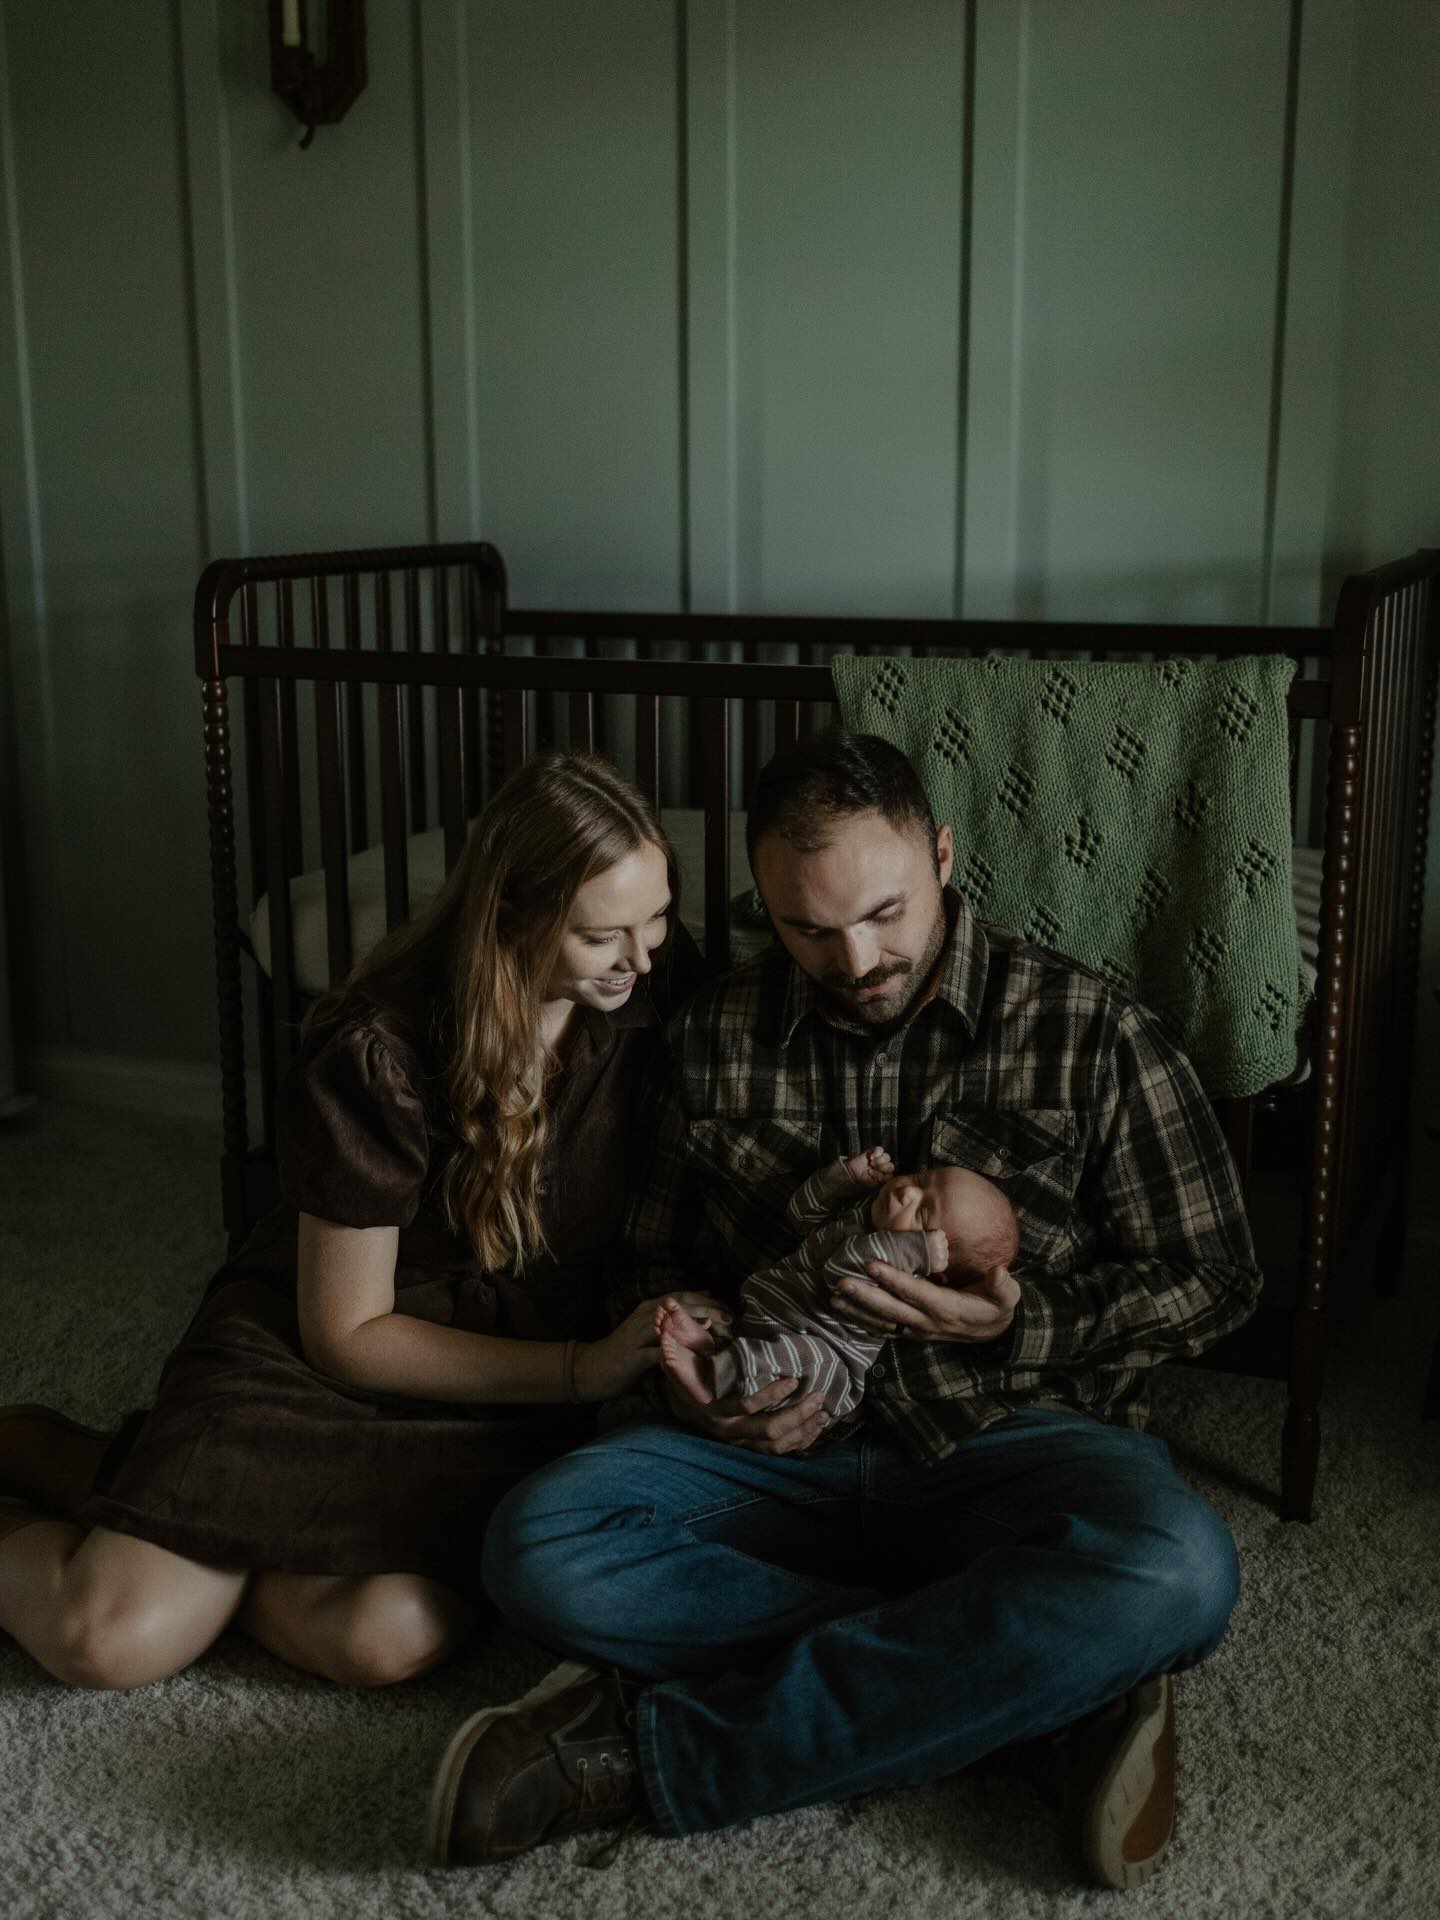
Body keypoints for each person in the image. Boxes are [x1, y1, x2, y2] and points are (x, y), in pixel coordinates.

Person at [426, 730, 1263, 1891]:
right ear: (762, 900)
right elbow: (646, 1265)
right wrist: (702, 1385)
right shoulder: (711, 1035)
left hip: (1007, 1447)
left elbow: (1218, 1278)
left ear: (944, 857)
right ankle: (1032, 1686)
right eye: (808, 928)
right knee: (539, 1544)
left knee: (1180, 1571)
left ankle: (652, 1754)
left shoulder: (1090, 1029)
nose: (855, 958)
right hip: (771, 1459)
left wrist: (1020, 1324)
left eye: (884, 912)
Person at [0, 752, 724, 1692]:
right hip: (328, 1356)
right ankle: (70, 1463)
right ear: (509, 916)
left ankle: (147, 1482)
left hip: (489, 1393)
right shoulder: (378, 1050)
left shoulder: (655, 986)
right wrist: (581, 1369)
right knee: (108, 1641)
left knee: (390, 1638)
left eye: (656, 916)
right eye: (600, 936)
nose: (643, 955)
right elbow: (346, 1334)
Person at [657, 1150, 1019, 1418]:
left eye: (922, 1215)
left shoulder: (904, 1282)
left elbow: (839, 1275)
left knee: (790, 1359)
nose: (906, 1192)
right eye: (923, 1179)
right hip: (766, 1311)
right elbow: (799, 1215)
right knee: (739, 1331)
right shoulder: (862, 1215)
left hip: (825, 1360)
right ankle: (712, 1346)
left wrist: (910, 1250)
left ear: (932, 1269)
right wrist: (843, 1179)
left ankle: (711, 1377)